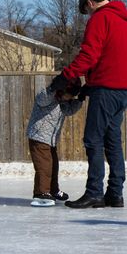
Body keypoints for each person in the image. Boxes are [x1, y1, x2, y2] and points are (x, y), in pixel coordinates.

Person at [50, 0, 127, 209]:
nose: (88, 15)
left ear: (90, 4)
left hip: (106, 90)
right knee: (112, 142)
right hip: (123, 90)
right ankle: (115, 194)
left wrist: (66, 76)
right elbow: (111, 58)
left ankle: (94, 193)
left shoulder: (100, 19)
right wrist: (90, 84)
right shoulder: (126, 22)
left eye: (86, 11)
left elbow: (90, 54)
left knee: (93, 140)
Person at [26, 77, 83, 207]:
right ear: (61, 89)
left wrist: (80, 99)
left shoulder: (62, 101)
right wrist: (52, 88)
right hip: (38, 137)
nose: (69, 98)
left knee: (53, 166)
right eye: (69, 95)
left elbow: (69, 111)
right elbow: (42, 98)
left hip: (50, 140)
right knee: (44, 166)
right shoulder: (48, 97)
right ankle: (41, 193)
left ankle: (53, 190)